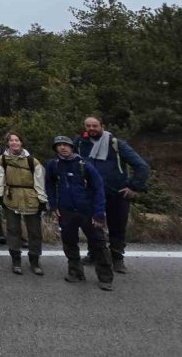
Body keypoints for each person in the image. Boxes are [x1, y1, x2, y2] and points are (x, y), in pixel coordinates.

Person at [75, 116, 150, 274]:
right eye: (88, 126)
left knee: (117, 227)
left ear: (102, 126)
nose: (91, 128)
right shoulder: (81, 143)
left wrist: (132, 186)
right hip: (92, 193)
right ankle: (94, 254)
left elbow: (142, 166)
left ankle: (117, 259)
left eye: (95, 125)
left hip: (116, 192)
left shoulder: (116, 144)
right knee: (92, 226)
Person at [46, 135, 113, 291]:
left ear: (72, 147)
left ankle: (105, 277)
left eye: (66, 144)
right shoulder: (53, 165)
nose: (63, 147)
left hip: (88, 211)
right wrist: (53, 205)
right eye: (59, 145)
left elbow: (98, 189)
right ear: (55, 148)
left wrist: (99, 213)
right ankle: (75, 272)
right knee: (69, 243)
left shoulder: (84, 165)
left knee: (99, 244)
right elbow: (49, 185)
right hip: (66, 211)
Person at [0, 132, 48, 275]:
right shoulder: (2, 160)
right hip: (11, 198)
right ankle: (16, 261)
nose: (14, 143)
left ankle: (34, 261)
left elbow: (40, 182)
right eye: (11, 140)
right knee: (13, 231)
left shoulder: (32, 161)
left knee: (35, 232)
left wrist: (42, 200)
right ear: (8, 143)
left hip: (31, 199)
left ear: (21, 143)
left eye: (17, 140)